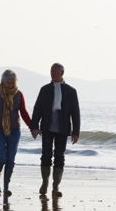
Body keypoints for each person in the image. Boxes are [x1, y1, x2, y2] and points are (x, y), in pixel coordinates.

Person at [30, 63, 81, 196]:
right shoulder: (44, 89)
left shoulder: (71, 91)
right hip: (47, 128)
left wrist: (76, 132)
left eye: (55, 71)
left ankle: (56, 186)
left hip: (63, 129)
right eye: (51, 71)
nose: (52, 73)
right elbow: (37, 109)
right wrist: (34, 126)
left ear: (62, 73)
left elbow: (75, 113)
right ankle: (45, 182)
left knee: (59, 156)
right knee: (46, 155)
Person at [0, 69, 32, 196]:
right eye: (8, 82)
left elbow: (24, 112)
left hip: (14, 130)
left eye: (12, 82)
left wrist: (33, 126)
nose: (10, 85)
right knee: (1, 157)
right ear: (2, 81)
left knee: (10, 159)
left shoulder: (18, 94)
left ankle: (6, 186)